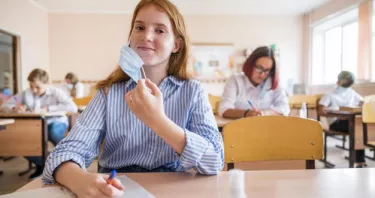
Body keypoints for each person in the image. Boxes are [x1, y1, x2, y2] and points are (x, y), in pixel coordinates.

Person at [42, 0, 223, 197]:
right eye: (139, 27)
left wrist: (157, 120)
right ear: (130, 37)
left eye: (160, 30)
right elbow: (65, 152)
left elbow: (214, 161)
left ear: (176, 45)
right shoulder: (108, 93)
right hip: (118, 185)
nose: (146, 36)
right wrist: (80, 180)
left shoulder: (193, 91)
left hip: (174, 187)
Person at [1, 68, 78, 178]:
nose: (34, 90)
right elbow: (5, 105)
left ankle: (69, 159)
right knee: (22, 141)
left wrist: (49, 108)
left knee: (53, 133)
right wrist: (14, 108)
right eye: (32, 87)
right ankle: (44, 165)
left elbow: (73, 107)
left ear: (46, 83)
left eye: (38, 87)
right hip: (35, 125)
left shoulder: (56, 92)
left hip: (55, 121)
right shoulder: (26, 93)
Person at [218, 46, 290, 119]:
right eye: (259, 68)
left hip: (267, 127)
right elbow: (224, 110)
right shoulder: (235, 80)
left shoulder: (273, 82)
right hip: (240, 128)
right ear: (250, 65)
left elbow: (284, 108)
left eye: (267, 70)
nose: (262, 74)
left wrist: (264, 113)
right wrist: (247, 113)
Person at [318, 71, 365, 168]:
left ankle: (359, 160)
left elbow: (363, 102)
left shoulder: (352, 93)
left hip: (351, 121)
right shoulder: (329, 94)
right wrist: (333, 111)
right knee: (358, 128)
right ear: (338, 81)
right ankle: (358, 160)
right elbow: (321, 111)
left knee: (360, 127)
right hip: (336, 122)